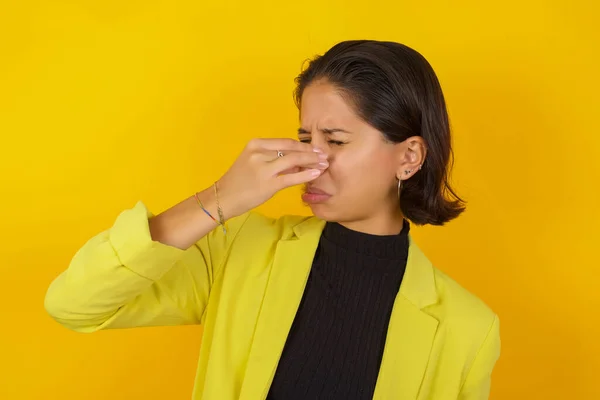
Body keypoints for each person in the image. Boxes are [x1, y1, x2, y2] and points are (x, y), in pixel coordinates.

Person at [45, 40, 500, 400]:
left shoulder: (468, 330)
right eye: (305, 137)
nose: (312, 159)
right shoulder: (240, 248)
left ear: (409, 156)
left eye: (336, 140)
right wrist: (217, 199)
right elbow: (74, 303)